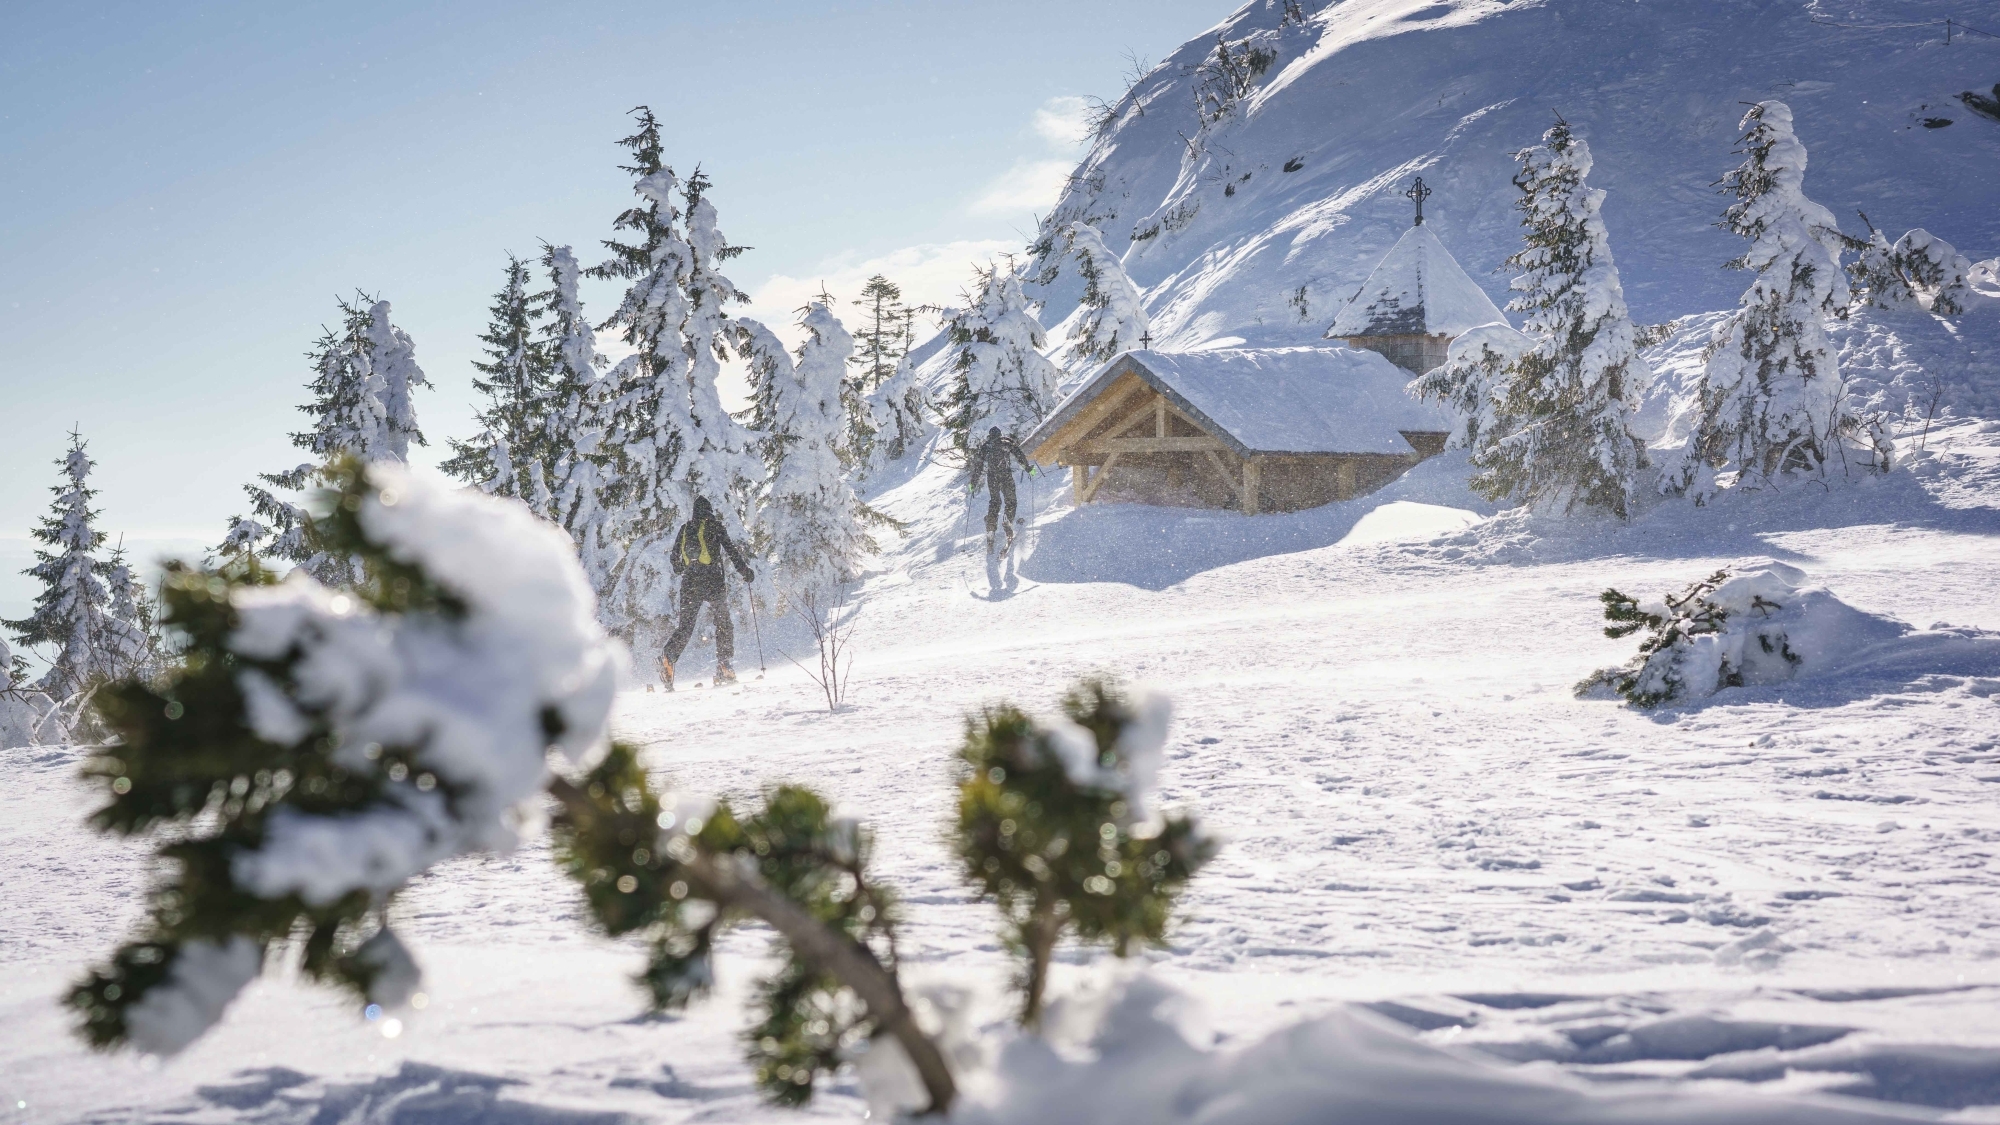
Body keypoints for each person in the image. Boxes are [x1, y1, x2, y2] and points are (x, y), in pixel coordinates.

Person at [660, 496, 754, 690]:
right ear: (709, 511)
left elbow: (674, 559)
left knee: (685, 627)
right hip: (713, 581)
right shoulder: (715, 526)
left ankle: (668, 657)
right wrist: (745, 571)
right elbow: (731, 551)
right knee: (723, 623)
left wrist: (683, 568)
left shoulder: (685, 529)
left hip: (690, 583)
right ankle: (724, 665)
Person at [969, 425, 1036, 555]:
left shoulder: (986, 447)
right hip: (1005, 475)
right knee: (1011, 501)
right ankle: (1007, 521)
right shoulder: (1006, 443)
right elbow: (1019, 455)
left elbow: (978, 465)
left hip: (992, 477)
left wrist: (973, 482)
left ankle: (990, 529)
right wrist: (1028, 468)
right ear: (999, 435)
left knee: (995, 502)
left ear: (990, 435)